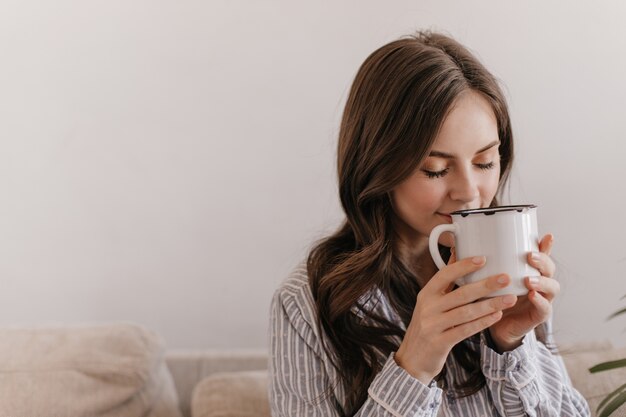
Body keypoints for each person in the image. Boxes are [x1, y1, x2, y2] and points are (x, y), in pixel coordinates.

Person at [268, 31, 590, 417]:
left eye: (485, 162)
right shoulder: (306, 304)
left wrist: (511, 345)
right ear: (377, 165)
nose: (469, 193)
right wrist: (413, 367)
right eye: (435, 169)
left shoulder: (512, 271)